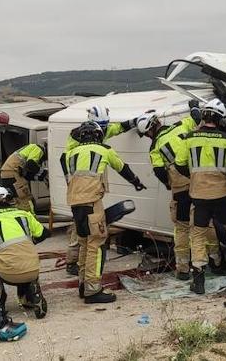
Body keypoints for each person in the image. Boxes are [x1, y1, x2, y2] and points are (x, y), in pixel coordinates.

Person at [175, 99, 226, 295]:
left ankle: (199, 279)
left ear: (203, 116)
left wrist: (194, 176)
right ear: (219, 119)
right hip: (223, 195)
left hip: (199, 196)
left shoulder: (189, 138)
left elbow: (179, 163)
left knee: (198, 234)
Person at [63, 120, 145, 304]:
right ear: (98, 135)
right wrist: (136, 182)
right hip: (92, 204)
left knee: (84, 244)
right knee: (96, 245)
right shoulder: (104, 150)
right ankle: (93, 290)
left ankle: (83, 285)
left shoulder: (71, 153)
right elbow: (122, 168)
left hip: (75, 205)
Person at [62, 105, 135, 277]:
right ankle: (73, 262)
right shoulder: (76, 136)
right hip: (82, 187)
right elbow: (65, 159)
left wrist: (134, 122)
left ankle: (82, 271)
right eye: (101, 126)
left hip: (90, 188)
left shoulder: (95, 131)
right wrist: (71, 182)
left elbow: (117, 128)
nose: (104, 129)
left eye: (104, 125)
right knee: (84, 233)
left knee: (85, 231)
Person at [139, 109, 201, 281]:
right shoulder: (181, 125)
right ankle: (213, 262)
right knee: (205, 224)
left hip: (180, 188)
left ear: (150, 130)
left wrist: (168, 183)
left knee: (182, 227)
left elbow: (159, 171)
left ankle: (183, 269)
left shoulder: (155, 148)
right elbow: (196, 117)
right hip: (199, 181)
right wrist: (194, 107)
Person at [0, 183, 49, 318]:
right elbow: (44, 233)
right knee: (24, 254)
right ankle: (29, 296)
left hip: (7, 274)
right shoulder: (24, 215)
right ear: (5, 198)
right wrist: (30, 242)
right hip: (32, 270)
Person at [0, 143, 46, 215]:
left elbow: (27, 175)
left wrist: (41, 177)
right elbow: (31, 165)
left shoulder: (29, 149)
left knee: (16, 200)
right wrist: (45, 173)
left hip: (6, 173)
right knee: (26, 199)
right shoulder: (39, 149)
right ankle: (30, 217)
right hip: (13, 172)